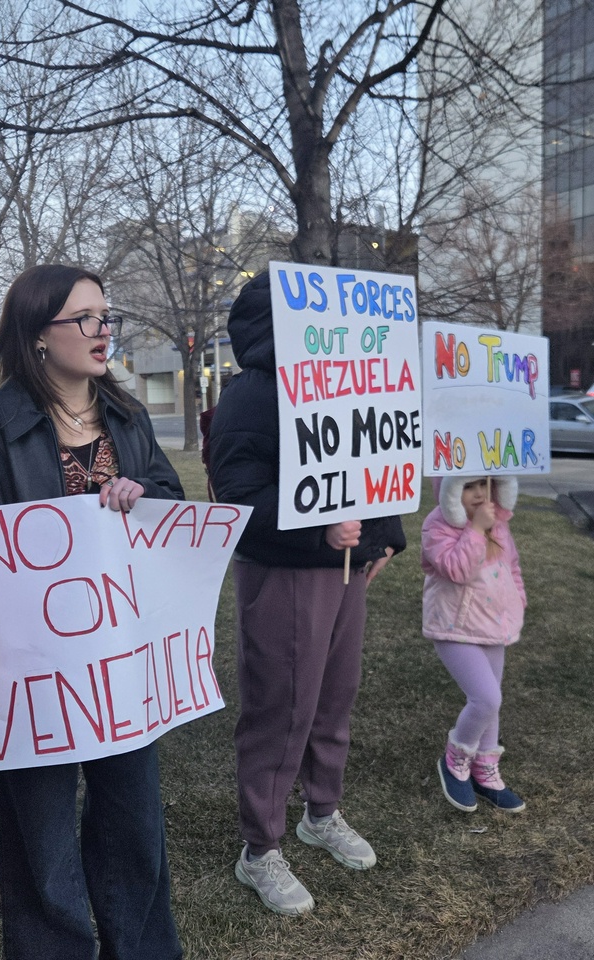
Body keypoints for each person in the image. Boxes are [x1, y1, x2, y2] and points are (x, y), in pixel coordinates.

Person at [0, 264, 184, 960]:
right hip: (36, 676)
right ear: (40, 336)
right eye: (86, 318)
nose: (104, 331)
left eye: (108, 316)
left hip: (122, 665)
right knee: (39, 839)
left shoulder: (128, 416)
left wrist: (150, 498)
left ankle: (142, 949)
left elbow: (171, 505)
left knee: (133, 828)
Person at [207, 272, 406, 917]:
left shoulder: (351, 380)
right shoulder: (251, 398)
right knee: (282, 703)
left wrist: (386, 535)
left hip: (346, 569)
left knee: (333, 696)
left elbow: (378, 458)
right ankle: (260, 848)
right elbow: (237, 498)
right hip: (288, 572)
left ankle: (322, 811)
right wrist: (318, 529)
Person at [422, 476, 527, 815]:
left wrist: (517, 602)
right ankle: (456, 758)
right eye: (468, 486)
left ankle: (485, 768)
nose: (480, 493)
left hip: (494, 624)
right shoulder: (437, 527)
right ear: (449, 491)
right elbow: (457, 570)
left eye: (484, 483)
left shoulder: (498, 522)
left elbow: (512, 566)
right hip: (454, 627)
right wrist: (476, 530)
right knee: (486, 698)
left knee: (493, 701)